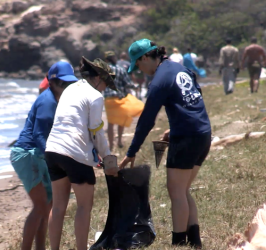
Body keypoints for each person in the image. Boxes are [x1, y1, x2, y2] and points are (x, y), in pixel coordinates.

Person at [121, 39, 211, 248]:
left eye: (139, 65)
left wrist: (132, 151)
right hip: (203, 133)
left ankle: (178, 242)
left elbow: (146, 121)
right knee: (183, 189)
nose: (141, 71)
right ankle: (195, 241)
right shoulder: (180, 69)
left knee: (176, 191)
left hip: (187, 138)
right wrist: (177, 125)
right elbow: (195, 97)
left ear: (146, 57)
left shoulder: (159, 80)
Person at [45, 57, 118, 250]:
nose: (105, 88)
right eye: (106, 83)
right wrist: (108, 158)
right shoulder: (95, 96)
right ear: (98, 78)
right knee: (84, 206)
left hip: (52, 149)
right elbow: (96, 130)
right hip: (74, 152)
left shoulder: (70, 89)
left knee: (58, 206)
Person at [10, 61, 78, 250]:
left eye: (70, 84)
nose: (66, 87)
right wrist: (56, 159)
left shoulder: (60, 100)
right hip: (26, 154)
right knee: (40, 206)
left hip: (40, 154)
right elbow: (38, 135)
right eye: (63, 84)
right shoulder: (48, 101)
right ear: (52, 82)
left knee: (47, 205)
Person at [103, 51, 143, 151]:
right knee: (121, 120)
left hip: (109, 100)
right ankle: (120, 140)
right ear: (114, 58)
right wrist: (136, 87)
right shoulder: (120, 69)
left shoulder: (103, 70)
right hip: (120, 98)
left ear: (106, 60)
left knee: (110, 123)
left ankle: (111, 146)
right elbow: (128, 83)